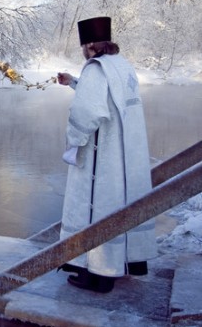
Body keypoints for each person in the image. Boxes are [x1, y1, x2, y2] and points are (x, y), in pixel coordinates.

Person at [56, 16, 157, 293]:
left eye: (83, 46)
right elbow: (106, 97)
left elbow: (87, 111)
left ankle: (98, 275)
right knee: (117, 206)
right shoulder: (121, 66)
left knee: (96, 209)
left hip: (102, 158)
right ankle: (117, 265)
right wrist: (74, 82)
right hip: (124, 156)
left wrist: (73, 142)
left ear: (89, 45)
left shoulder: (96, 68)